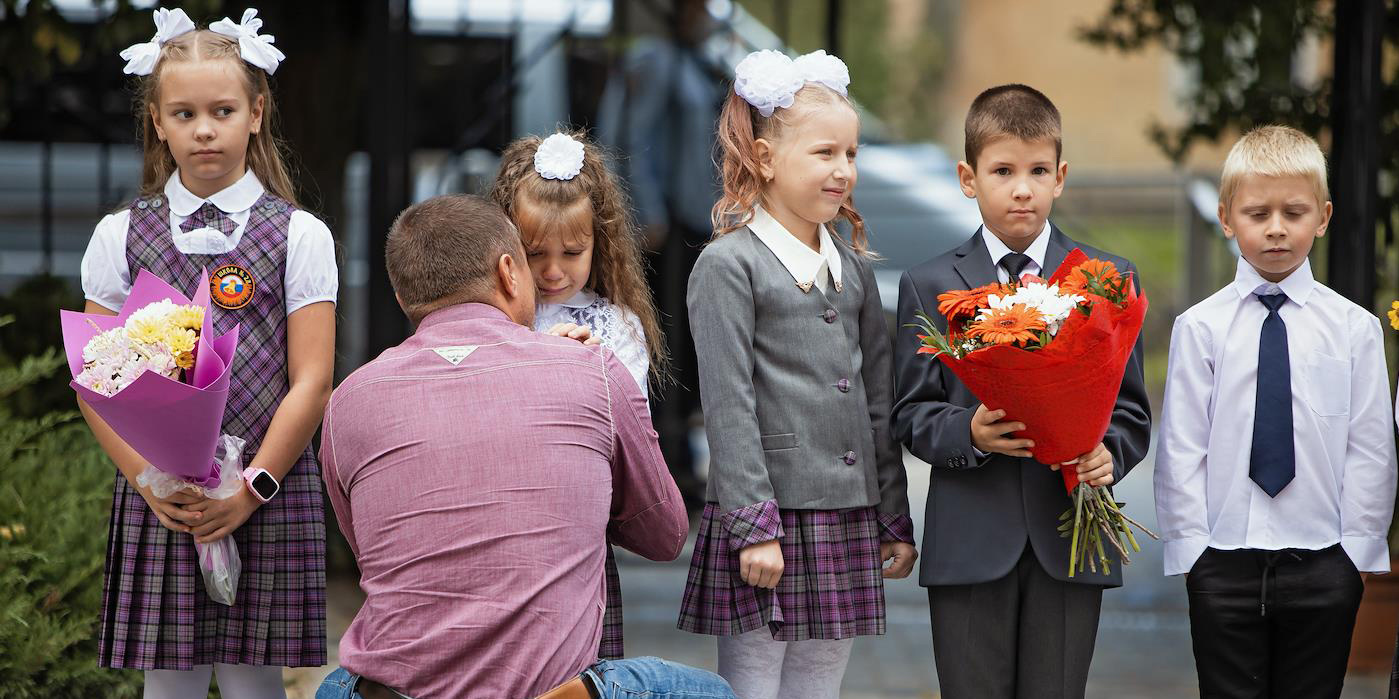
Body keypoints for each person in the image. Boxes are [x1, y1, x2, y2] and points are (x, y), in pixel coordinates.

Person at [315, 194, 734, 699]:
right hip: (549, 693)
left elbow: (375, 554)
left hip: (396, 692)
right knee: (712, 691)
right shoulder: (593, 372)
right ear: (510, 272)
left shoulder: (348, 402)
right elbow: (666, 537)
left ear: (404, 298)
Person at [78, 8, 333, 698]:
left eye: (222, 109)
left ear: (256, 111)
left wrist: (253, 488)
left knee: (257, 685)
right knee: (170, 687)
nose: (204, 128)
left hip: (266, 495)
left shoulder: (301, 235)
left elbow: (311, 379)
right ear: (157, 121)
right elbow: (97, 380)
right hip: (165, 498)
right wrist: (148, 481)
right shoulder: (118, 235)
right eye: (184, 113)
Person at [891, 84, 1152, 699]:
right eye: (1002, 171)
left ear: (1060, 176)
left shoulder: (1106, 279)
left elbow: (1132, 408)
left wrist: (1109, 451)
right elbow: (910, 410)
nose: (1022, 188)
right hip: (970, 544)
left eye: (1038, 171)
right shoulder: (927, 283)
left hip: (1071, 534)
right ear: (967, 176)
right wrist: (970, 433)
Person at [677, 49, 918, 699]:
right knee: (752, 686)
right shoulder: (728, 266)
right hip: (770, 513)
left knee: (818, 686)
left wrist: (892, 514)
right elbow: (728, 405)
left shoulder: (855, 267)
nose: (843, 170)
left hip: (846, 514)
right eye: (823, 153)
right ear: (762, 158)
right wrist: (752, 525)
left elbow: (876, 401)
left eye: (850, 154)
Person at [1155, 125, 1396, 699]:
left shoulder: (1354, 329)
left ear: (1324, 215)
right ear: (1226, 217)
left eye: (1294, 211)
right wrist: (1193, 553)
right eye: (1258, 213)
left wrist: (1356, 554)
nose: (1277, 228)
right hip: (1223, 564)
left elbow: (1369, 446)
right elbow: (1182, 445)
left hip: (1323, 561)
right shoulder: (1200, 328)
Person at [487, 129, 668, 659]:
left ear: (600, 241)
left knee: (579, 669)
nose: (551, 270)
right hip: (496, 522)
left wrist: (586, 370)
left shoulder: (616, 327)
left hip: (577, 531)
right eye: (533, 252)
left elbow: (630, 433)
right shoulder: (486, 315)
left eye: (572, 251)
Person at [596, 0, 723, 507]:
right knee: (661, 347)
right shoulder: (653, 59)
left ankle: (680, 465)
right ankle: (664, 472)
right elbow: (628, 137)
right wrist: (645, 211)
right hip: (662, 233)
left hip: (694, 224)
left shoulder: (698, 61)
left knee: (687, 351)